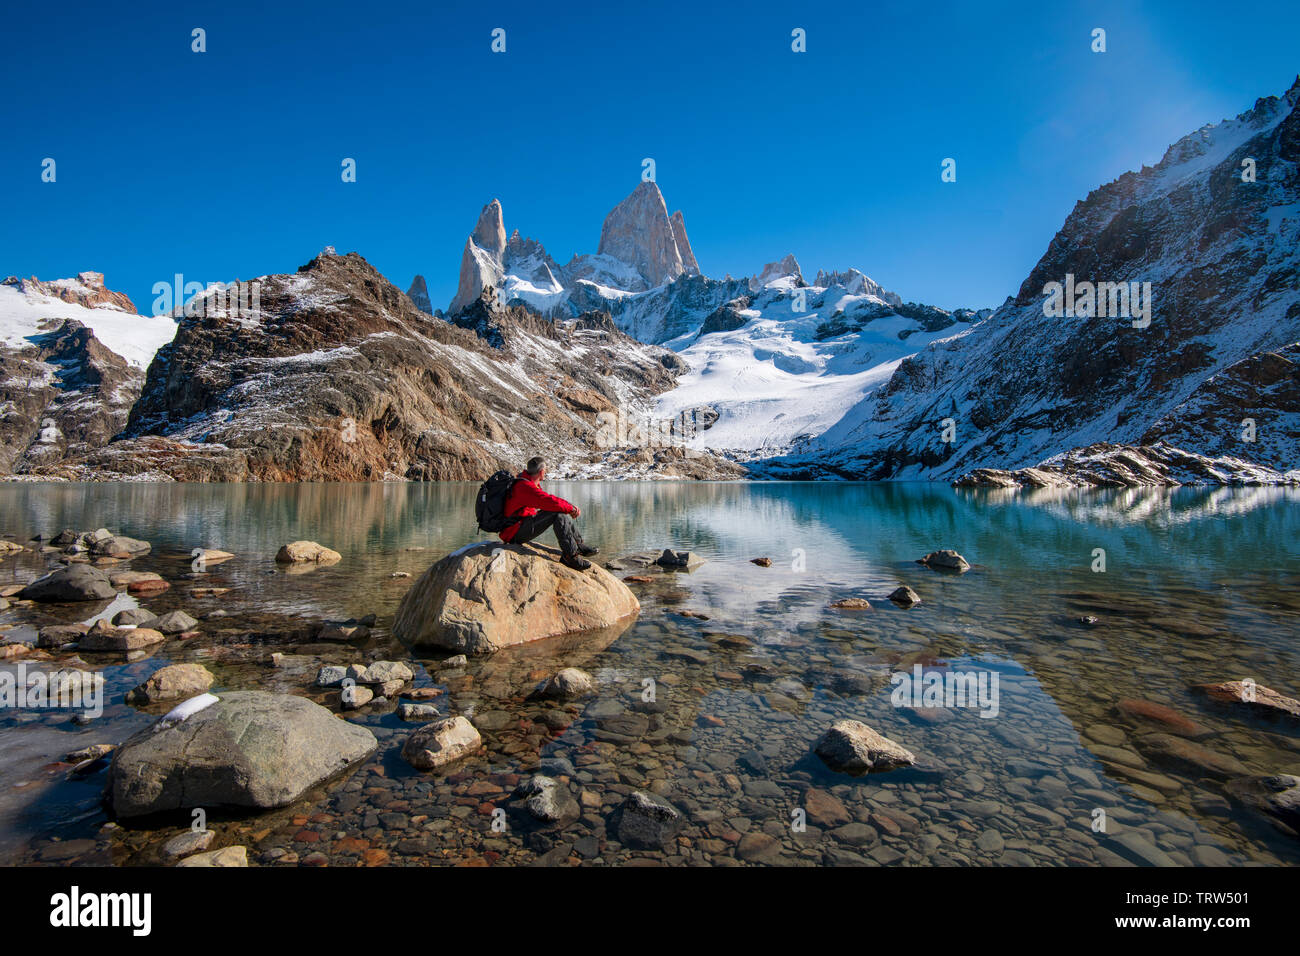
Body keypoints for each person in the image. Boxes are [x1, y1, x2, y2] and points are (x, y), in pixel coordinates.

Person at [499, 456, 599, 570]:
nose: (546, 472)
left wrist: (569, 507)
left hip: (519, 526)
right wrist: (571, 508)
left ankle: (578, 545)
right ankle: (570, 557)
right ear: (541, 471)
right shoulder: (525, 487)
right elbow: (548, 501)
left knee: (557, 511)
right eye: (545, 470)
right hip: (514, 533)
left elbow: (548, 501)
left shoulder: (525, 481)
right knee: (557, 514)